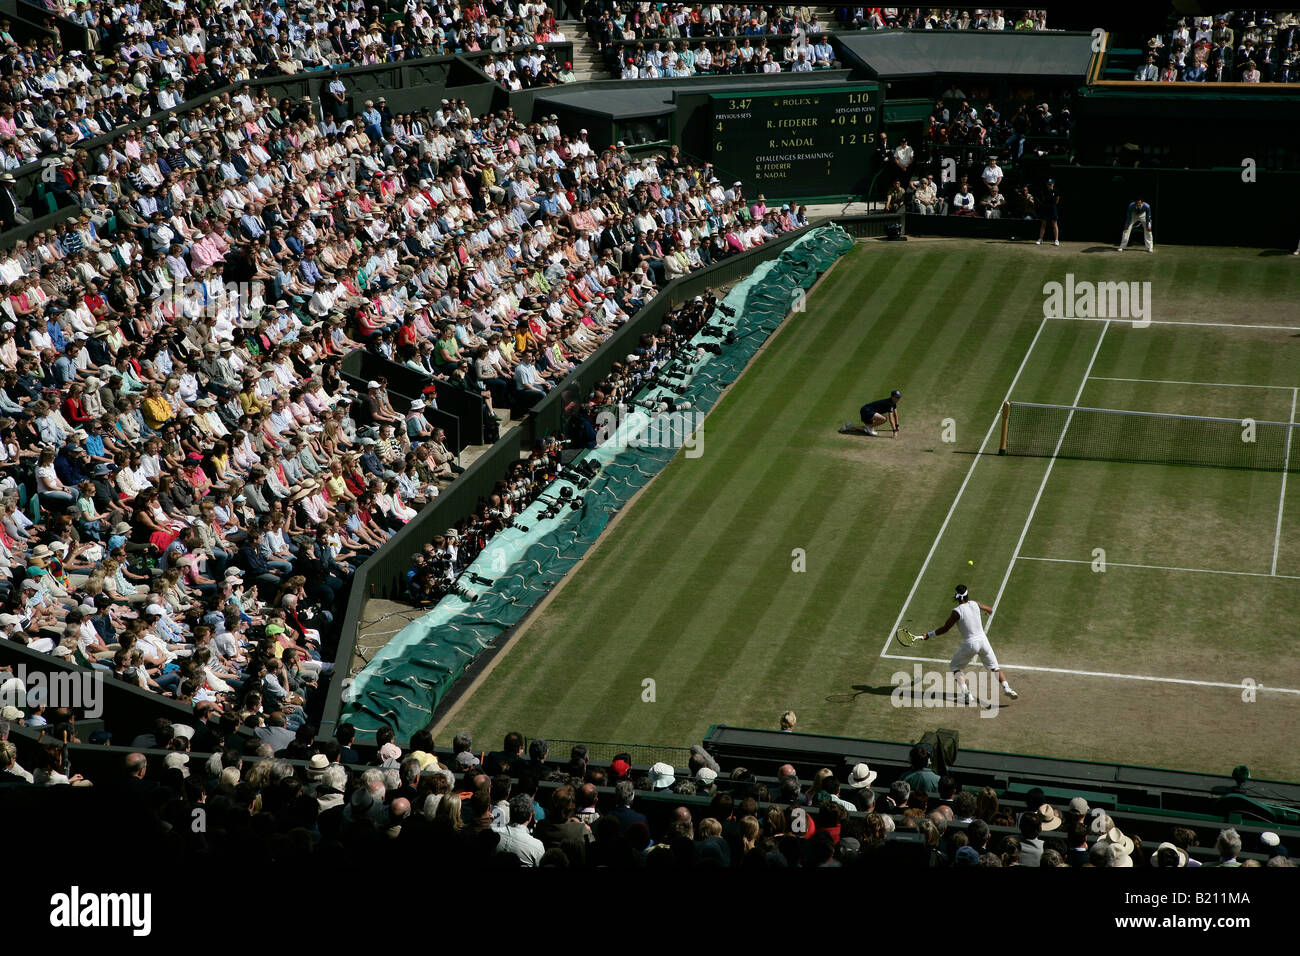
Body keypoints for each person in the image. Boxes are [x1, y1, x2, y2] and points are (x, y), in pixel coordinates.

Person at [915, 584, 1019, 703]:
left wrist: (929, 634)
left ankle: (966, 693)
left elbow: (945, 628)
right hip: (983, 641)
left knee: (955, 667)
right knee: (995, 667)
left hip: (970, 644)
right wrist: (987, 614)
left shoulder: (956, 612)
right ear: (967, 595)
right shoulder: (975, 604)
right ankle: (1007, 687)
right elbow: (990, 610)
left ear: (956, 596)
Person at [1036, 179, 1060, 246]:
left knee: (1054, 224)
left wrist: (1053, 205)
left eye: (1050, 184)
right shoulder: (1044, 191)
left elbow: (1057, 199)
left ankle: (1056, 240)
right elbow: (1043, 199)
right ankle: (1040, 239)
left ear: (1053, 184)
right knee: (1043, 224)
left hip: (1053, 208)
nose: (1049, 185)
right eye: (1048, 184)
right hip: (1045, 208)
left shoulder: (1056, 191)